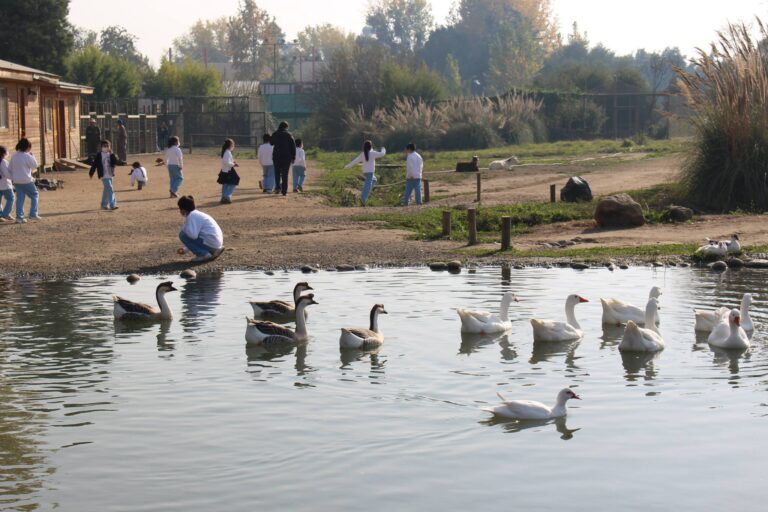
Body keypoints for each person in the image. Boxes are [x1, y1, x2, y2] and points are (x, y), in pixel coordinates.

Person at [177, 195, 225, 263]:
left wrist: (183, 227)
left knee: (182, 234)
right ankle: (213, 251)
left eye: (180, 209)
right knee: (186, 233)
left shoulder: (191, 216)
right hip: (216, 243)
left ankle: (203, 254)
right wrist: (185, 249)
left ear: (183, 209)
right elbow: (195, 237)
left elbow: (192, 236)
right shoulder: (197, 214)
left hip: (212, 242)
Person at [344, 140, 386, 206]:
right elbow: (382, 154)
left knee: (374, 180)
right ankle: (363, 199)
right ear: (371, 146)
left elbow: (355, 161)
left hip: (366, 172)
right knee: (367, 186)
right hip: (370, 172)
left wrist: (347, 166)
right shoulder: (373, 153)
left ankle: (365, 194)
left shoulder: (363, 154)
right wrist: (383, 148)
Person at [8, 138, 40, 223]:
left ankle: (19, 217)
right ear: (27, 147)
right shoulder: (27, 156)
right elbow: (35, 165)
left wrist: (13, 178)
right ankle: (33, 214)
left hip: (17, 181)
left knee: (20, 198)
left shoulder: (14, 156)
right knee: (35, 195)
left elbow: (9, 169)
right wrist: (32, 155)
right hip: (26, 180)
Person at [89, 140, 119, 211]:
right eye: (104, 146)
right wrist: (91, 173)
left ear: (109, 147)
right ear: (101, 147)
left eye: (107, 146)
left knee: (107, 190)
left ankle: (104, 205)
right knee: (109, 188)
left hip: (110, 174)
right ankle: (113, 205)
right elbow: (94, 164)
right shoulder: (99, 155)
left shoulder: (111, 154)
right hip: (103, 175)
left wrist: (112, 154)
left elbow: (115, 162)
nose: (105, 147)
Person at [270, 121, 296, 196]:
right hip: (286, 157)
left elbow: (271, 143)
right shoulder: (289, 135)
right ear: (286, 127)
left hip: (276, 157)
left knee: (277, 173)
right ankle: (284, 191)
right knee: (285, 174)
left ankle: (277, 188)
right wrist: (293, 157)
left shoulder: (275, 134)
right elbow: (293, 147)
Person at [217, 138, 240, 204]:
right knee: (234, 181)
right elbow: (226, 162)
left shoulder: (226, 152)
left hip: (225, 170)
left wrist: (233, 162)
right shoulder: (227, 152)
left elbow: (228, 160)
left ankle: (223, 197)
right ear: (230, 145)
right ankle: (226, 196)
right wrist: (233, 164)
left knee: (226, 184)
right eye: (233, 144)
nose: (234, 146)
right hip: (228, 170)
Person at [0, 146, 13, 222]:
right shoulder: (3, 162)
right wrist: (14, 177)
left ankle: (0, 215)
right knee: (11, 198)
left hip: (1, 183)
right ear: (4, 153)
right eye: (7, 152)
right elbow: (7, 174)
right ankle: (6, 214)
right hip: (5, 184)